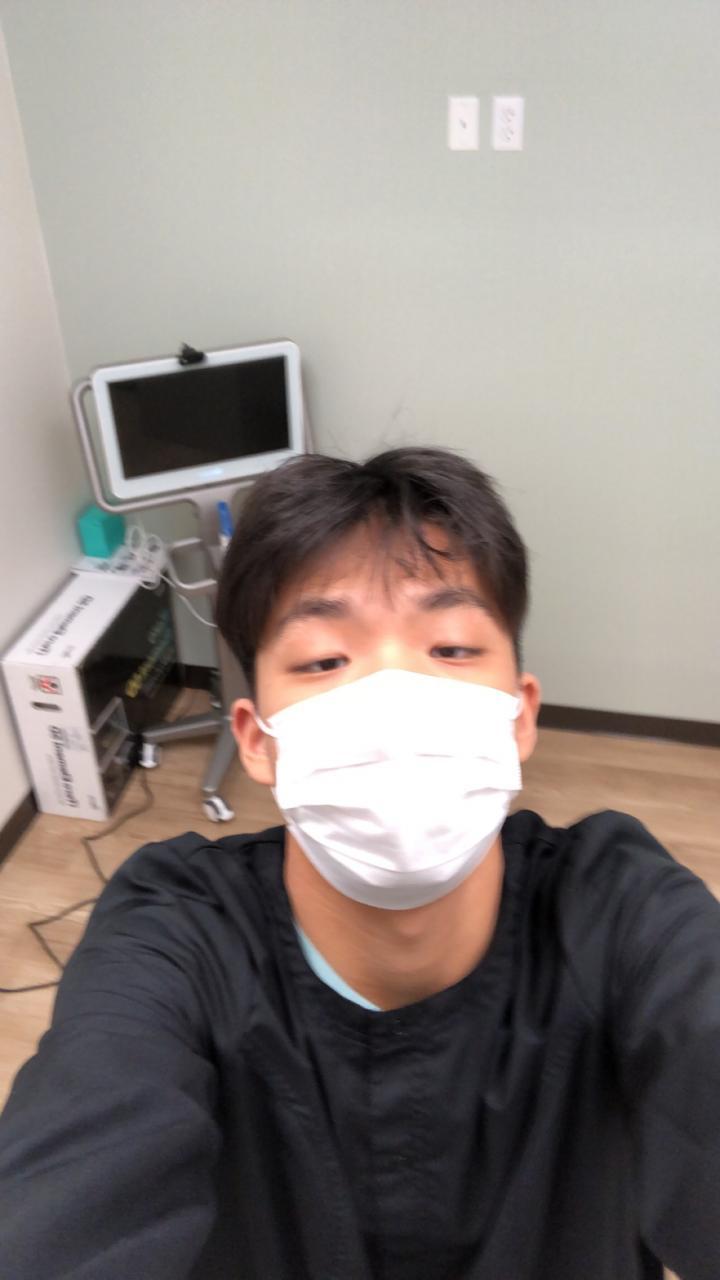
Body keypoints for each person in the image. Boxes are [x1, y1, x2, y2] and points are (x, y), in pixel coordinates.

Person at [0, 447, 718, 1280]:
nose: (393, 697)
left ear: (520, 718)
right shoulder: (179, 933)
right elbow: (79, 1161)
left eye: (451, 648)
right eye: (323, 661)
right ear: (257, 741)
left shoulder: (618, 908)